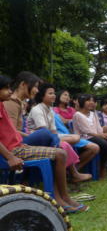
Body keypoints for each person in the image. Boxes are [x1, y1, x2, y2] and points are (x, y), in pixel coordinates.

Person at [0, 75, 88, 213]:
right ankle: (60, 198)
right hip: (12, 152)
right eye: (5, 88)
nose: (10, 91)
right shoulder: (10, 104)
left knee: (58, 151)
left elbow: (10, 132)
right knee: (58, 151)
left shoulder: (3, 104)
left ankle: (63, 197)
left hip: (18, 147)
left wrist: (21, 143)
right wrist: (10, 156)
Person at [27, 83, 99, 172]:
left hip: (54, 137)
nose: (53, 95)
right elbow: (44, 132)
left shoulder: (50, 110)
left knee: (94, 147)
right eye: (50, 93)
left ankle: (74, 170)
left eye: (54, 93)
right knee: (71, 140)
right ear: (42, 96)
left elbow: (53, 131)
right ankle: (73, 173)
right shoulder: (37, 110)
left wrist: (65, 136)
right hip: (41, 139)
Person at [73, 94, 107, 178]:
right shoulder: (77, 115)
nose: (92, 102)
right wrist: (100, 135)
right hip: (85, 138)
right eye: (89, 100)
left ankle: (102, 161)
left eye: (93, 101)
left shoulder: (93, 114)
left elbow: (98, 128)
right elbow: (86, 131)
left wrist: (104, 134)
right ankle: (102, 167)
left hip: (96, 136)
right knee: (105, 144)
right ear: (82, 102)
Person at [4, 71, 57, 147]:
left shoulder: (20, 103)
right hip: (16, 143)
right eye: (35, 86)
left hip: (21, 138)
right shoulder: (11, 103)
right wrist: (31, 135)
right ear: (23, 84)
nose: (37, 90)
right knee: (45, 133)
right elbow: (12, 131)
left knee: (50, 136)